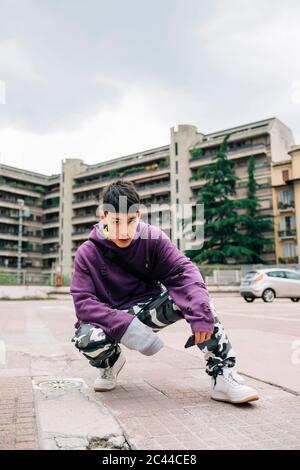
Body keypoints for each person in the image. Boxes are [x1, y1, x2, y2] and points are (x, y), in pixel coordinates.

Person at [71, 180, 259, 404]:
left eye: (131, 221)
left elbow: (184, 272)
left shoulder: (153, 238)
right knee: (86, 337)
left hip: (148, 307)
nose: (124, 230)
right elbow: (83, 302)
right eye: (116, 222)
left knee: (198, 299)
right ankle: (110, 363)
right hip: (111, 316)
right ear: (103, 218)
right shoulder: (87, 252)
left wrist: (200, 313)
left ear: (139, 215)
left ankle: (222, 375)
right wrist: (124, 325)